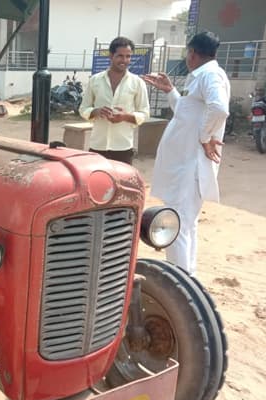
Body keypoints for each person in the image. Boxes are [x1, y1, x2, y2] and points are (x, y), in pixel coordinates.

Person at [142, 31, 230, 276]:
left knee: (176, 224)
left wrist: (205, 138)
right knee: (185, 224)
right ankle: (188, 278)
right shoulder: (203, 75)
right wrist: (171, 91)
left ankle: (179, 283)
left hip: (190, 167)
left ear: (192, 53)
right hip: (184, 166)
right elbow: (187, 112)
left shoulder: (209, 74)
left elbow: (219, 108)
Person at [79, 36, 150, 165]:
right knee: (98, 184)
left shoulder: (137, 83)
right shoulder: (95, 80)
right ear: (111, 56)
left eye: (128, 56)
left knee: (121, 185)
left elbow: (145, 113)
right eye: (120, 56)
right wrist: (96, 111)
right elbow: (83, 109)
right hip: (98, 146)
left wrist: (125, 117)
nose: (124, 60)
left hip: (123, 148)